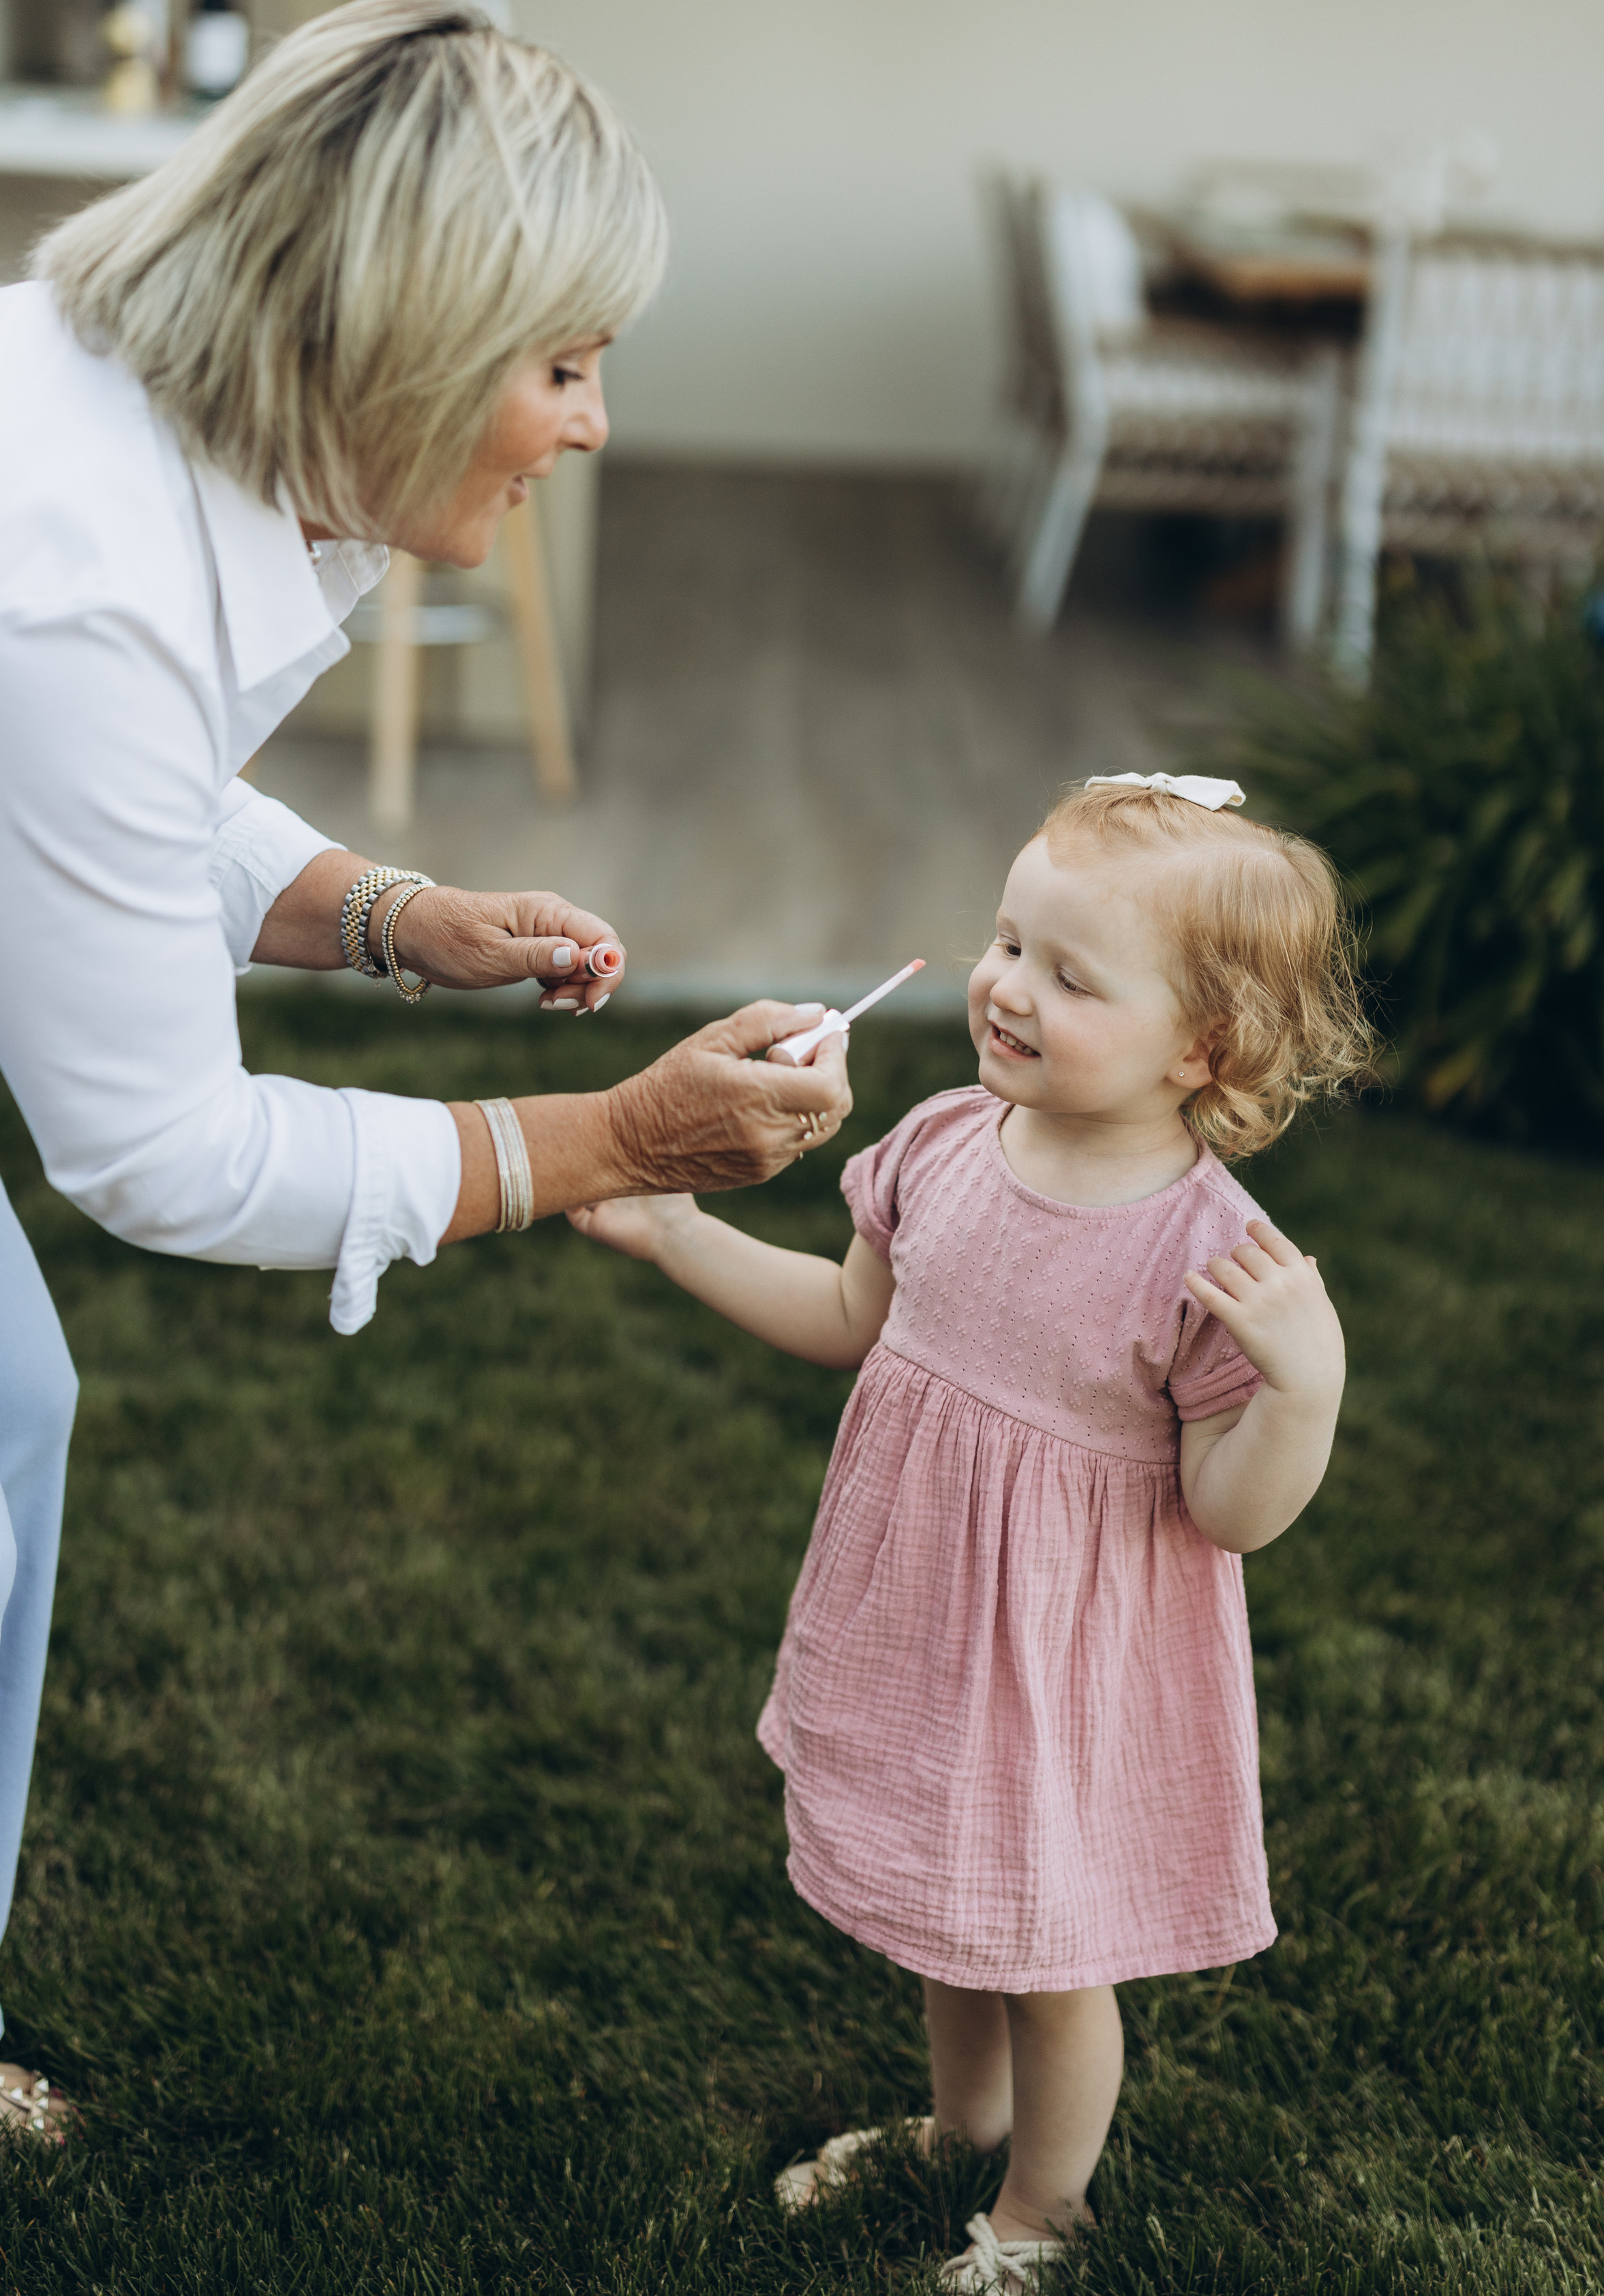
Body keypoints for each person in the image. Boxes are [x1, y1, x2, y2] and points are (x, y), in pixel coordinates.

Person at [0, 0, 852, 2241]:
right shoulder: (60, 558)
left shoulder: (210, 441)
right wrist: (612, 1142)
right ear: (403, 331)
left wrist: (380, 912)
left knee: (3, 1403)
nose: (594, 425)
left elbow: (84, 802)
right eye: (563, 363)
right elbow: (163, 1156)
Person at [571, 772, 1376, 2288]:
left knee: (1049, 1951)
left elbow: (1230, 1512)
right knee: (951, 1906)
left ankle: (1038, 2215)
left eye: (1069, 975)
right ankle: (959, 2123)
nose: (1005, 988)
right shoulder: (946, 1140)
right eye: (1008, 943)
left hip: (1067, 1656)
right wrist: (674, 1230)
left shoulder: (1206, 1255)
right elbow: (847, 1321)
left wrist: (1303, 1387)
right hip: (925, 1607)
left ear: (1200, 1048)